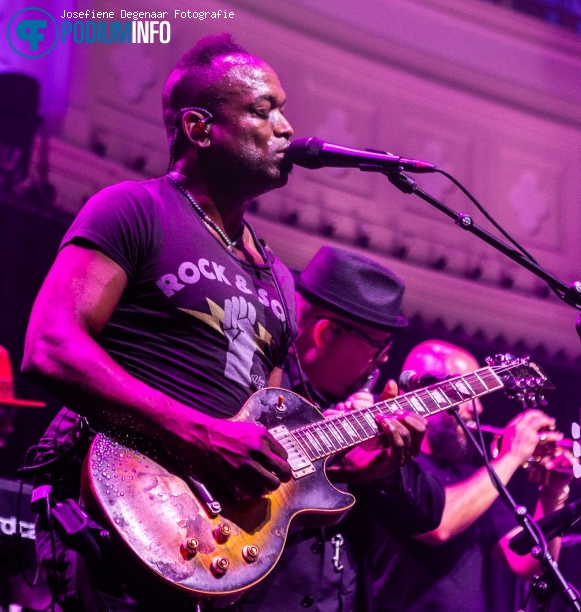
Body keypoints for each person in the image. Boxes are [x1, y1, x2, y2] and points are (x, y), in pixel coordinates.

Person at [20, 35, 421, 611]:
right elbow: (52, 348)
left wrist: (347, 463)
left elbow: (269, 439)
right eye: (263, 110)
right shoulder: (134, 209)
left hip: (207, 552)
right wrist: (200, 433)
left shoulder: (278, 278)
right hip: (115, 520)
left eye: (282, 110)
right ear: (199, 128)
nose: (285, 128)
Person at [240, 245, 444, 611]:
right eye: (377, 347)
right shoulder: (252, 392)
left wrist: (387, 465)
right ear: (328, 333)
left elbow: (428, 513)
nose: (381, 362)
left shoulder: (365, 405)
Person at [369, 340, 574, 612]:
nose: (477, 408)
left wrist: (552, 496)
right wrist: (511, 456)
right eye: (467, 393)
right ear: (420, 392)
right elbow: (438, 525)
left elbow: (529, 563)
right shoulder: (391, 461)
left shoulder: (471, 478)